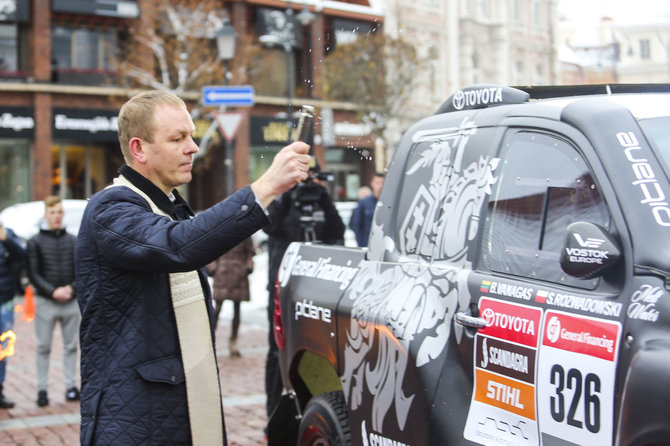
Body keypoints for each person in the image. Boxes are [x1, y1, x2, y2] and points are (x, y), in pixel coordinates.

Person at [74, 90, 311, 446]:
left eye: (191, 135)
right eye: (177, 138)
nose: (193, 147)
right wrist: (265, 186)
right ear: (139, 149)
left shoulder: (167, 206)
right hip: (136, 423)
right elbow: (180, 245)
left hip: (167, 414)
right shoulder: (110, 209)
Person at [262, 169, 344, 424]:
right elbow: (270, 226)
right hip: (284, 287)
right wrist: (286, 193)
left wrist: (323, 196)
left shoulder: (319, 197)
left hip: (316, 289)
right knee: (279, 351)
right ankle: (275, 413)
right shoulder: (282, 201)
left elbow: (337, 229)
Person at [26, 196, 80, 408]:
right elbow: (33, 273)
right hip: (46, 302)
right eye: (52, 212)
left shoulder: (73, 240)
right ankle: (42, 390)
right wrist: (52, 291)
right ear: (45, 215)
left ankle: (70, 387)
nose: (56, 216)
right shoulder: (34, 242)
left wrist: (70, 289)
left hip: (70, 301)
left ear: (63, 214)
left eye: (59, 212)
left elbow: (81, 270)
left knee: (71, 347)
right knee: (43, 347)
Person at [206, 237, 254, 357]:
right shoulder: (221, 228)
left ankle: (233, 341)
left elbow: (249, 252)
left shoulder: (245, 232)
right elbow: (210, 250)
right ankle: (210, 339)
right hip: (222, 273)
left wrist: (248, 267)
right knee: (217, 308)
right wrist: (213, 268)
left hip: (239, 274)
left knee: (236, 309)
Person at [0, 222, 26, 409]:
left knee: (3, 347)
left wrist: (6, 240)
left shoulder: (7, 233)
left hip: (4, 301)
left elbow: (22, 256)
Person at [350, 172, 385, 247]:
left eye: (382, 183)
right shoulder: (363, 203)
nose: (380, 186)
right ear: (372, 183)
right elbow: (357, 225)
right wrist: (361, 244)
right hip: (368, 244)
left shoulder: (389, 203)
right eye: (377, 183)